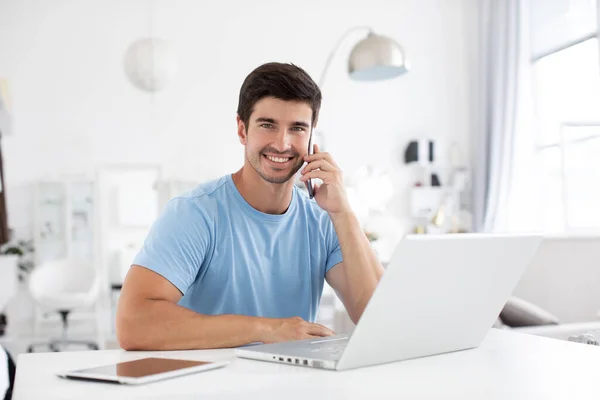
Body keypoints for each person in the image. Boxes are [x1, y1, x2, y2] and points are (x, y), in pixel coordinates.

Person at [116, 62, 384, 351]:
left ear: (311, 138)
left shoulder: (323, 220)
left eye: (297, 128)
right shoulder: (195, 214)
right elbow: (133, 323)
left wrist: (344, 213)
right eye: (267, 125)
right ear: (242, 130)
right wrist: (266, 329)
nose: (282, 144)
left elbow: (380, 319)